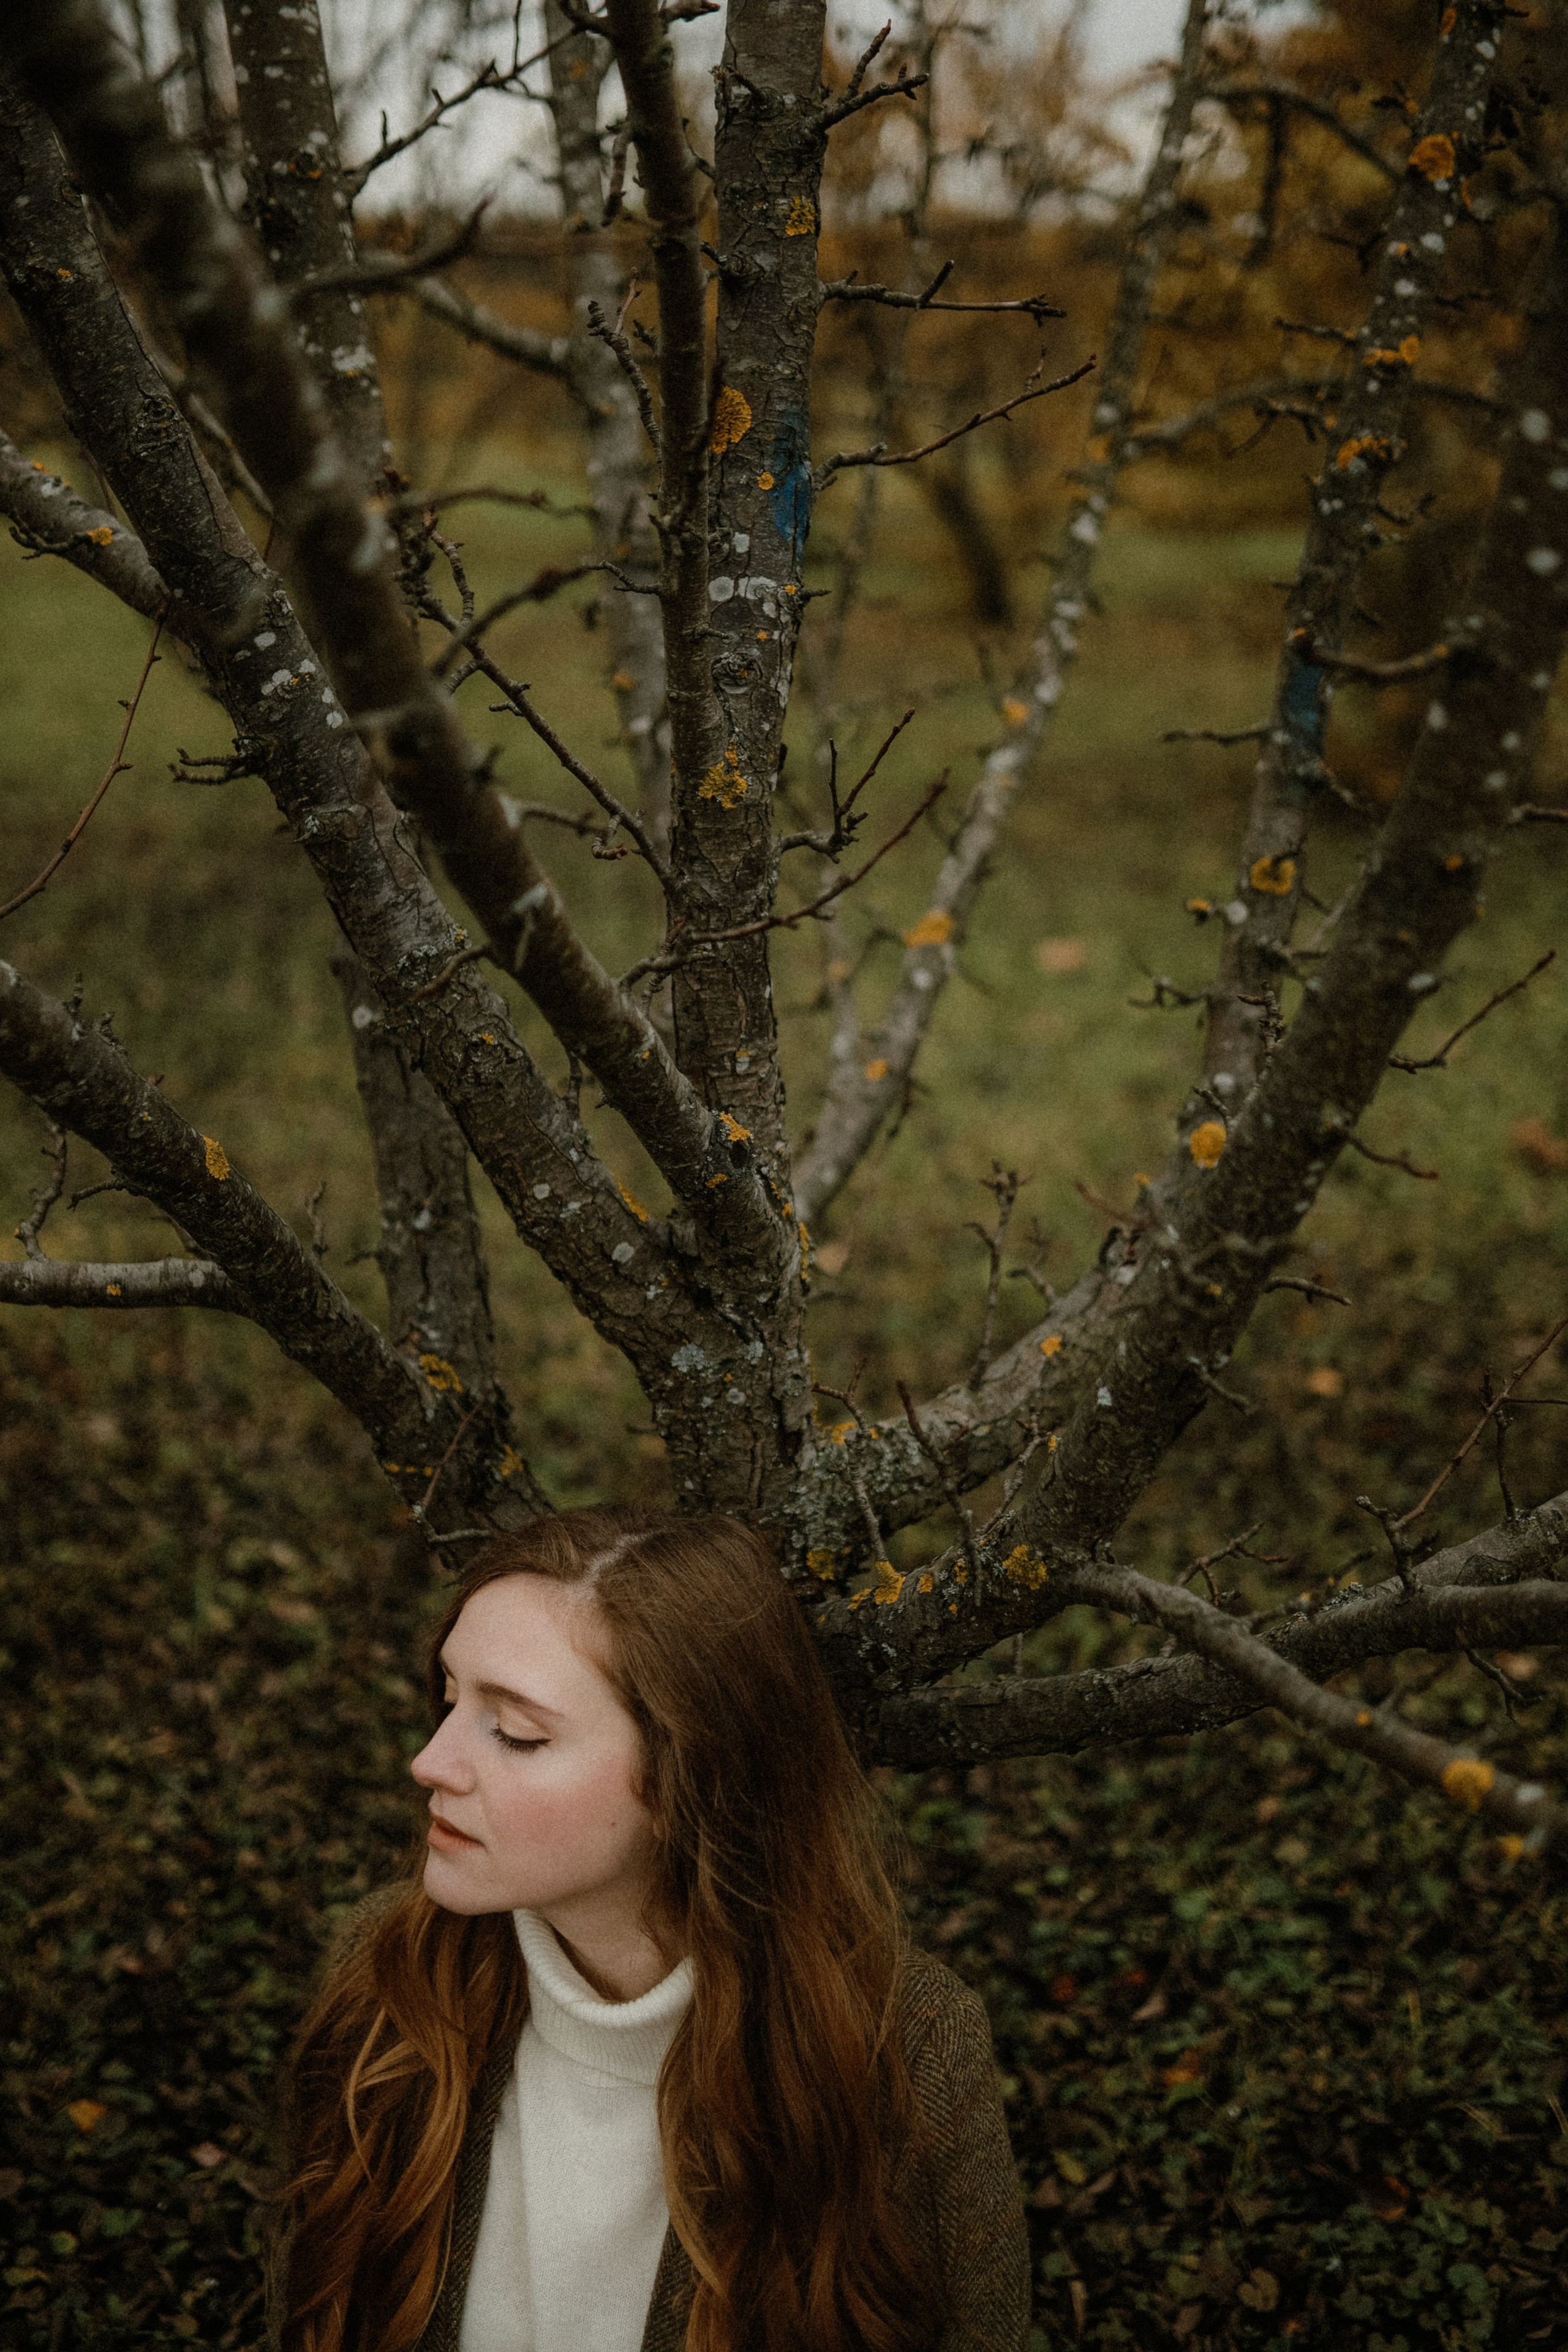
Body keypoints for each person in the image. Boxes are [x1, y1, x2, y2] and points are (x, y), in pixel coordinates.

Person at [269, 1506, 1031, 2352]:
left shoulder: (907, 2050)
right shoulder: (389, 1978)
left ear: (686, 1778)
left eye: (516, 1733)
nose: (431, 1762)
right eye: (449, 1699)